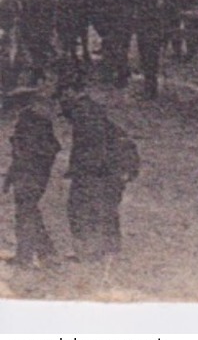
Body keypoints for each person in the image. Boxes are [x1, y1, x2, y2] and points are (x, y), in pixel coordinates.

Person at [59, 85, 134, 260]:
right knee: (105, 209)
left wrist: (81, 173)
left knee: (83, 208)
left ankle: (91, 250)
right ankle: (108, 250)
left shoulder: (85, 119)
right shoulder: (96, 117)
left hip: (102, 172)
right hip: (113, 170)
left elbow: (91, 152)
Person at [4, 81, 60, 269]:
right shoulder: (35, 120)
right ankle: (45, 254)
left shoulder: (31, 122)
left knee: (26, 215)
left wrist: (19, 175)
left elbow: (27, 152)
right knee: (30, 213)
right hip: (31, 174)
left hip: (30, 175)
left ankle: (27, 257)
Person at [132, 0, 172, 100]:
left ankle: (150, 91)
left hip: (152, 28)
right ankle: (148, 89)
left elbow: (159, 9)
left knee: (150, 60)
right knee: (145, 59)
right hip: (144, 27)